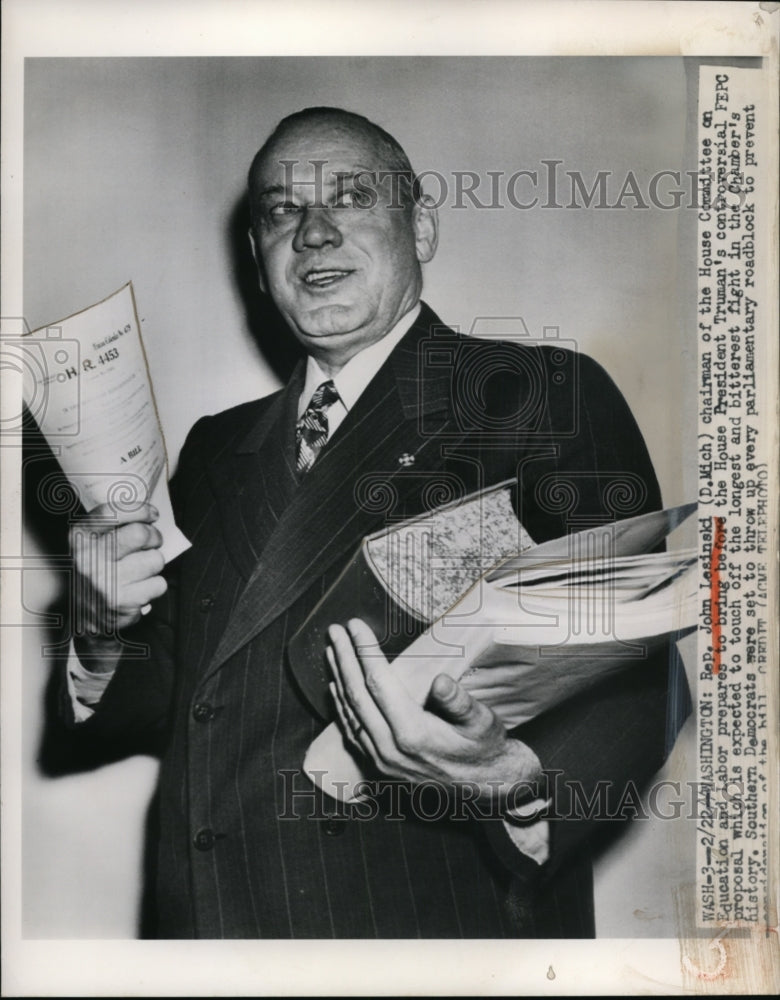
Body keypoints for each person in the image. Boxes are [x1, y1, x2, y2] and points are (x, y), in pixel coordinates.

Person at [65, 106, 686, 938]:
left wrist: (513, 776)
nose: (314, 232)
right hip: (207, 929)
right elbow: (164, 703)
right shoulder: (217, 449)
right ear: (258, 259)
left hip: (428, 925)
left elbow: (643, 658)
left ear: (421, 227)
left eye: (351, 197)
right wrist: (101, 629)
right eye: (281, 211)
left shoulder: (538, 393)